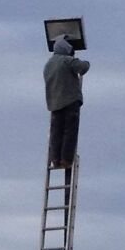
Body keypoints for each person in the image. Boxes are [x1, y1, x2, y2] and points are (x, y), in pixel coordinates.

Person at [43, 34, 90, 169]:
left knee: (56, 132)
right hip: (70, 101)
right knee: (69, 130)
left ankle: (55, 159)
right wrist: (85, 62)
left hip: (54, 104)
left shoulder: (48, 64)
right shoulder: (66, 60)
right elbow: (83, 68)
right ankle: (66, 159)